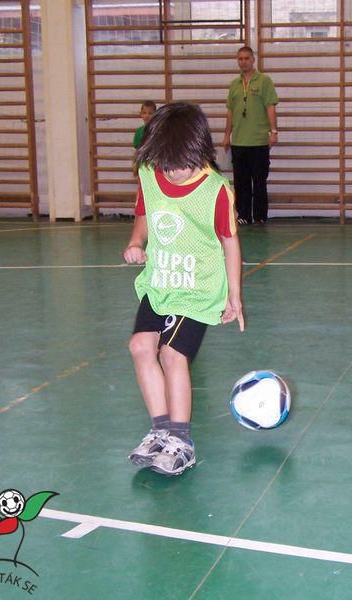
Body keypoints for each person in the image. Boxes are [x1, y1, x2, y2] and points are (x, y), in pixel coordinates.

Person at [123, 102, 245, 476]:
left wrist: (234, 295)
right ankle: (160, 431)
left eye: (184, 165)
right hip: (160, 281)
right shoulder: (149, 173)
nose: (175, 172)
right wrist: (136, 241)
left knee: (173, 354)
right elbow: (144, 214)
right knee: (140, 346)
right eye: (168, 164)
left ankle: (181, 442)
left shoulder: (216, 190)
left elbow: (230, 242)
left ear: (200, 152)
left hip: (197, 289)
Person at [222, 46, 278, 225]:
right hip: (239, 141)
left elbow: (270, 106)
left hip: (259, 141)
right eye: (240, 59)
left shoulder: (264, 81)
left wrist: (273, 131)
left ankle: (260, 216)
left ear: (253, 60)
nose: (243, 62)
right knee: (241, 182)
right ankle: (244, 215)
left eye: (246, 58)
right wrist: (227, 135)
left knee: (259, 181)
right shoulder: (234, 84)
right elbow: (230, 112)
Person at [132, 100, 157, 178]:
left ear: (155, 114)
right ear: (141, 114)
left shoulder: (158, 131)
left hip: (155, 165)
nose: (147, 116)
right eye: (144, 113)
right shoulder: (139, 131)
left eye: (150, 113)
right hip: (142, 165)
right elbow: (137, 150)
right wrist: (135, 163)